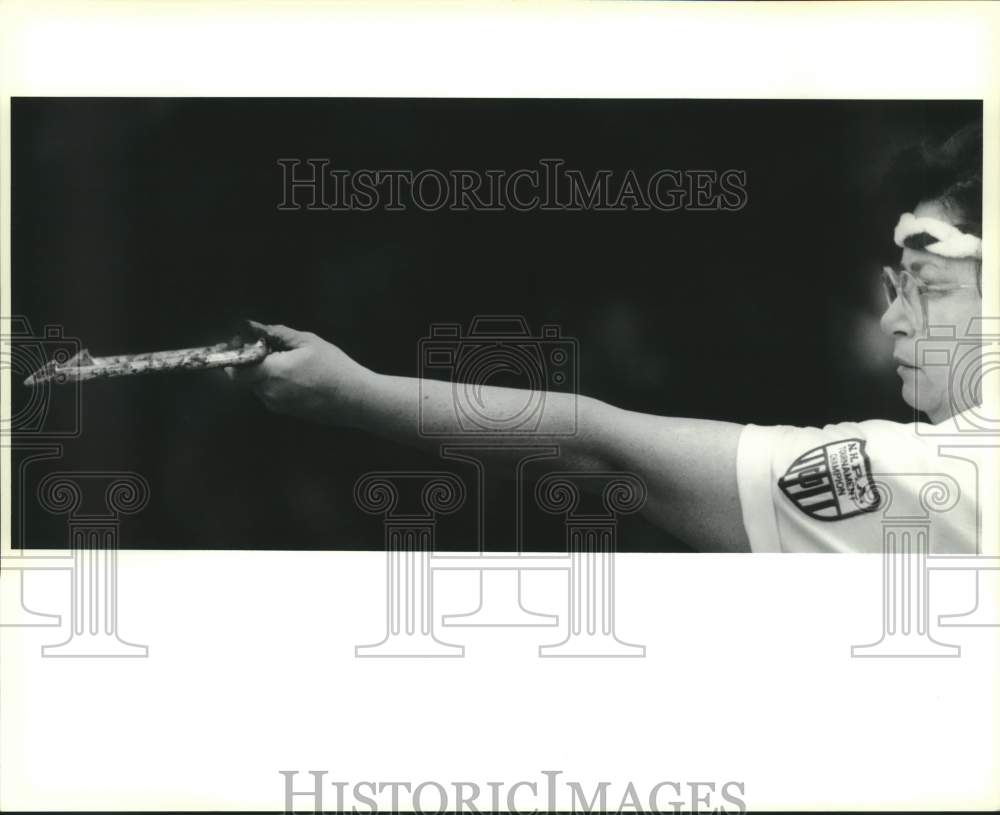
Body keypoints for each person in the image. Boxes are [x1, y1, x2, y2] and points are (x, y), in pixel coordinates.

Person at [229, 123, 986, 554]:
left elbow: (600, 446)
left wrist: (353, 393)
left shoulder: (952, 473)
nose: (893, 318)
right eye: (898, 288)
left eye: (931, 287)